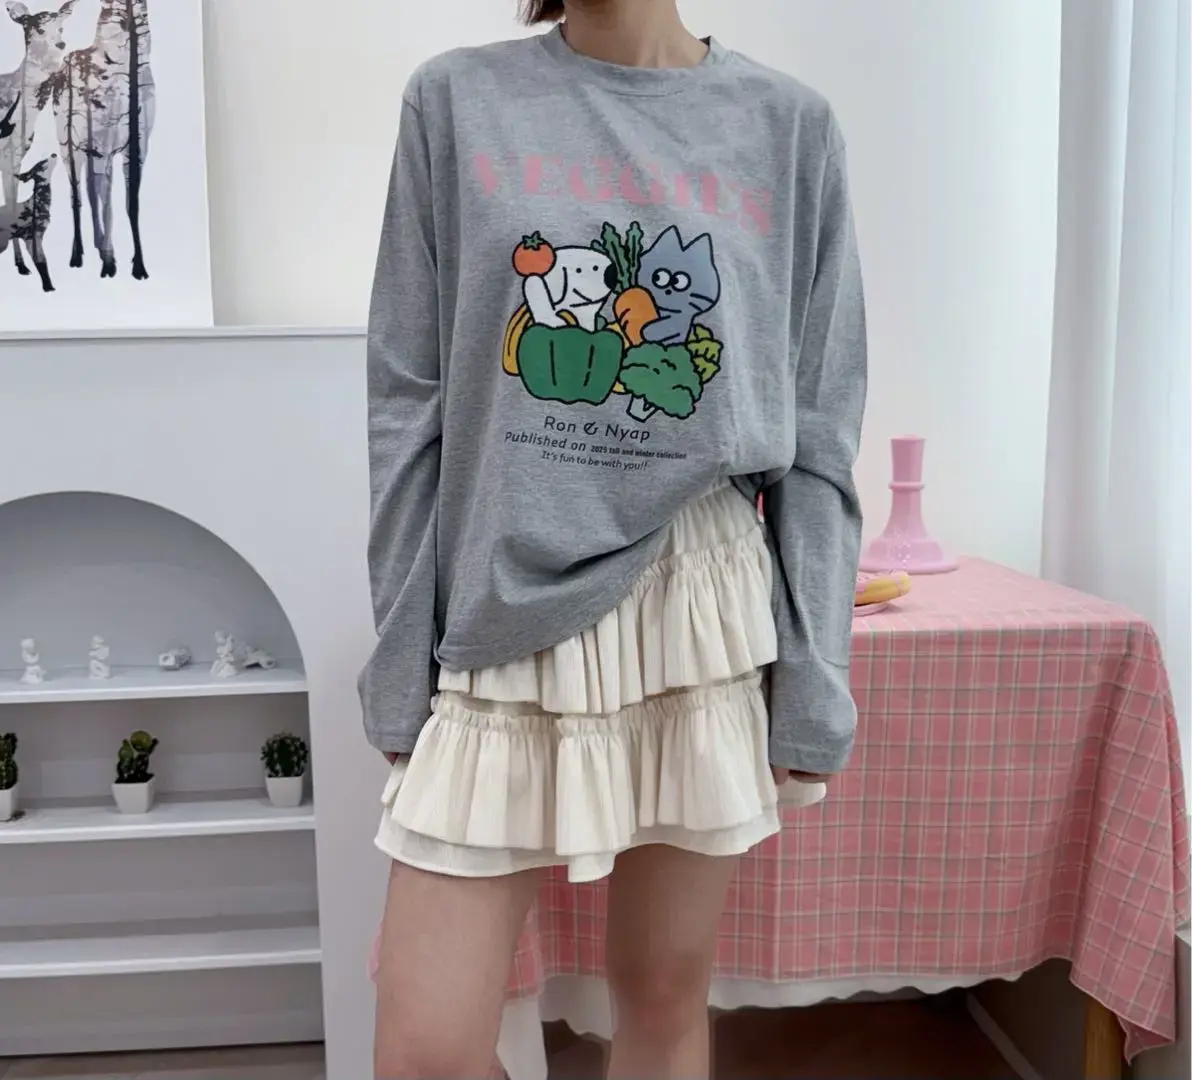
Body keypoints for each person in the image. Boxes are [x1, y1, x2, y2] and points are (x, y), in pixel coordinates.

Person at [362, 0, 867, 1075]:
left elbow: (819, 433)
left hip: (697, 599)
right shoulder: (455, 100)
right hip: (504, 597)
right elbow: (409, 403)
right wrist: (400, 658)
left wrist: (816, 673)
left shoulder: (788, 125)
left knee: (662, 994)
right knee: (424, 1045)